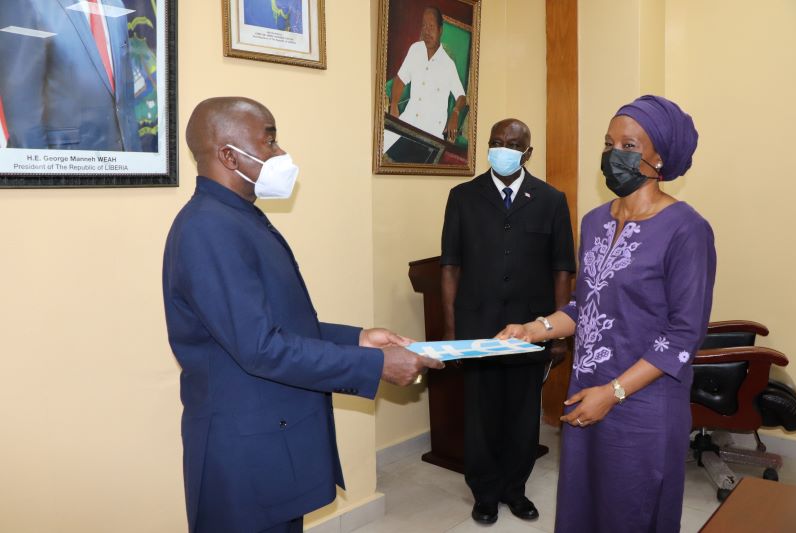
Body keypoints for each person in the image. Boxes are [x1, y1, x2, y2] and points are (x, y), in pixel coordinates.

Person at [162, 97, 443, 533]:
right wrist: (375, 365)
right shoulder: (208, 229)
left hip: (271, 435)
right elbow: (260, 347)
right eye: (270, 140)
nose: (280, 153)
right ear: (228, 155)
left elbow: (277, 322)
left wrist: (359, 339)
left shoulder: (239, 217)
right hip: (243, 452)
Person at [497, 95, 716, 532]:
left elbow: (683, 335)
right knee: (583, 505)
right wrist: (533, 329)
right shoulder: (595, 220)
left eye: (629, 145)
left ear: (660, 157)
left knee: (631, 511)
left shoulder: (687, 230)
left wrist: (612, 394)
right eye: (608, 142)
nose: (614, 154)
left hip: (644, 405)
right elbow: (584, 303)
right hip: (586, 392)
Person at [440, 118, 576, 525]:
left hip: (530, 329)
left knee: (521, 416)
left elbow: (562, 270)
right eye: (496, 142)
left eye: (512, 144)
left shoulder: (551, 200)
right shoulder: (462, 196)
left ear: (527, 153)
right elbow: (450, 266)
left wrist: (557, 331)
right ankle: (484, 493)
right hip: (477, 328)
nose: (503, 149)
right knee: (480, 416)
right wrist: (451, 333)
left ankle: (515, 489)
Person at [0, 0, 142, 151]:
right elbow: (23, 118)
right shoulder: (26, 3)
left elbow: (125, 104)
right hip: (65, 165)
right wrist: (40, 172)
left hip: (124, 166)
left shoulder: (116, 5)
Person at [383, 6, 467, 155]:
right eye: (424, 26)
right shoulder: (415, 50)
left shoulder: (448, 65)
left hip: (430, 133)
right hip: (407, 121)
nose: (427, 31)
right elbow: (400, 79)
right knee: (380, 149)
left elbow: (461, 96)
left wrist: (454, 112)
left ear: (440, 30)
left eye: (431, 26)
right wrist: (395, 104)